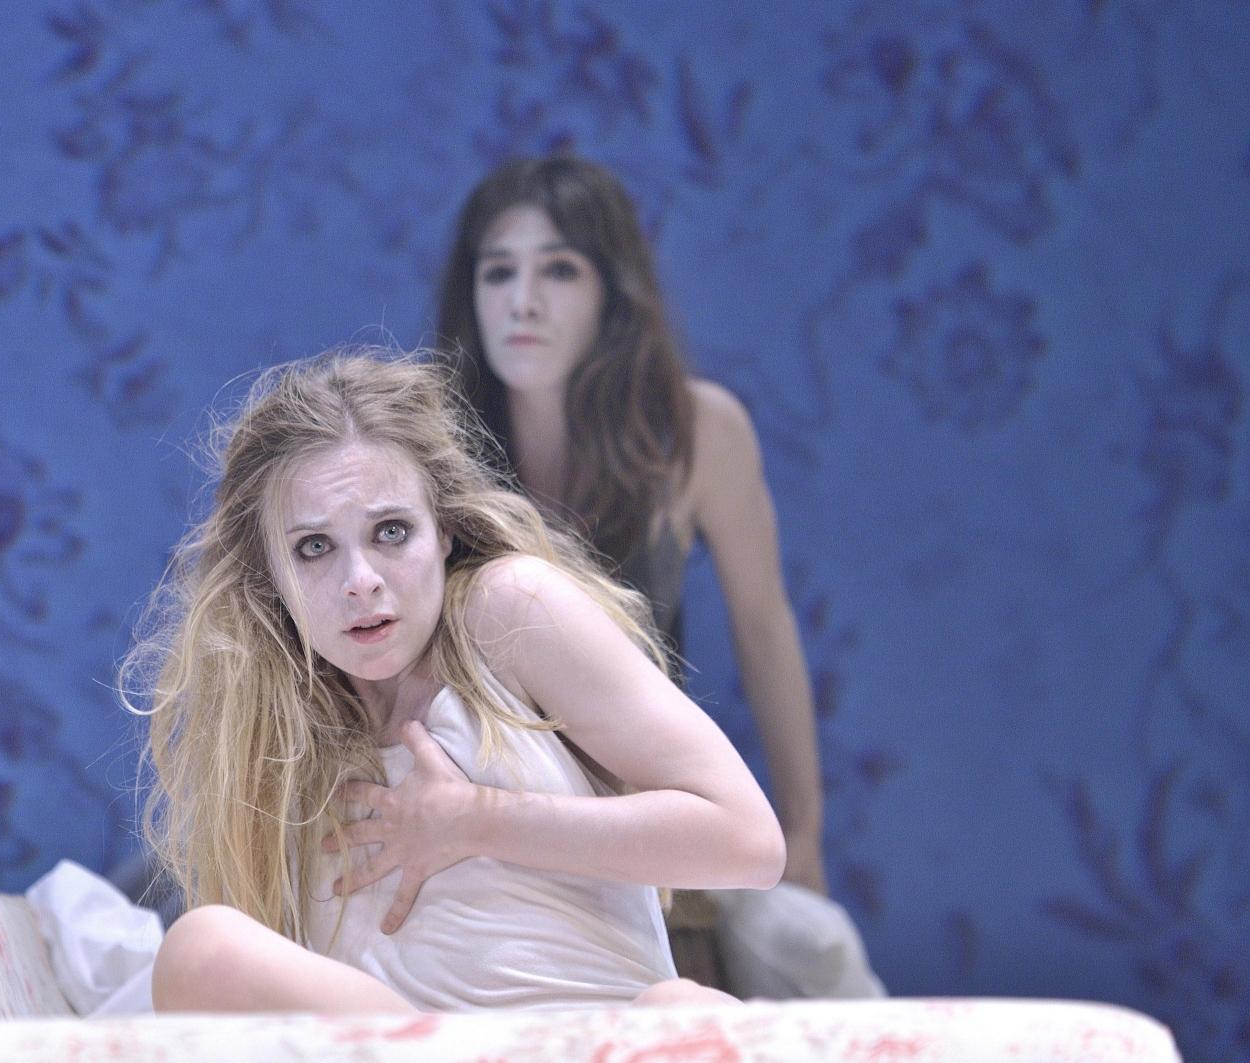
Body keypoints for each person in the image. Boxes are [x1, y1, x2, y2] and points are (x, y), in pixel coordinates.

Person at [123, 350, 784, 1013]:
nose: (360, 581)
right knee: (201, 947)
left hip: (597, 1038)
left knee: (684, 1007)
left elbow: (749, 844)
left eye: (391, 532)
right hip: (409, 1044)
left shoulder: (507, 612)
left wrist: (477, 820)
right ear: (269, 572)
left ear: (442, 530)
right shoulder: (270, 728)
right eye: (314, 547)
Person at [433, 155, 830, 900]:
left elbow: (764, 628)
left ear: (611, 293)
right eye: (498, 272)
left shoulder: (697, 431)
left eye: (560, 271)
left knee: (802, 944)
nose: (522, 302)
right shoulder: (427, 442)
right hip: (476, 822)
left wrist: (805, 833)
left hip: (641, 827)